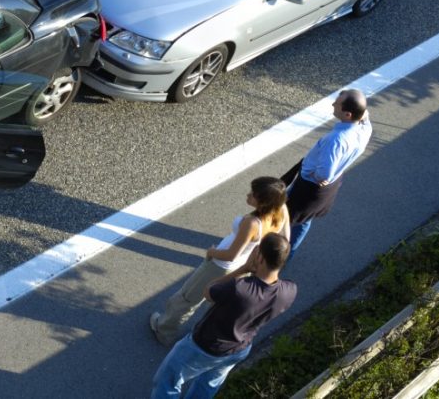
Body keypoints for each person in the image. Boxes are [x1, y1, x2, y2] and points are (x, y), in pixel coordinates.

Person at [151, 233, 297, 398]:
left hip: (205, 345)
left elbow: (209, 291)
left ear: (260, 258)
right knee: (206, 387)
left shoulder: (240, 288)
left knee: (168, 380)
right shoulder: (289, 291)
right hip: (239, 349)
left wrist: (244, 269)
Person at [150, 177, 290, 346]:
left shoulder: (252, 223)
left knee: (187, 298)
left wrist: (212, 252)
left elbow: (231, 254)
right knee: (213, 301)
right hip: (239, 266)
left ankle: (164, 330)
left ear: (264, 202)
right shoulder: (279, 213)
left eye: (253, 195)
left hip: (220, 265)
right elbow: (285, 237)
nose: (248, 195)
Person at [284, 88, 372, 254]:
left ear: (348, 115)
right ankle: (288, 253)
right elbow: (365, 115)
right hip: (328, 189)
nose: (333, 104)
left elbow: (324, 174)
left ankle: (265, 254)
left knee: (285, 219)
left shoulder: (336, 140)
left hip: (308, 188)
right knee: (304, 221)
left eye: (337, 104)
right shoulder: (365, 129)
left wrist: (311, 174)